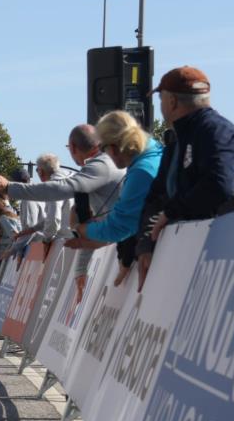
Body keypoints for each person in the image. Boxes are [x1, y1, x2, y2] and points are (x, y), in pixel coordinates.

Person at [136, 66, 234, 290]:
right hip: (207, 256)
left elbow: (218, 185)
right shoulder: (177, 143)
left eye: (160, 98)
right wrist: (145, 245)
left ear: (172, 102)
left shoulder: (217, 131)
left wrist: (171, 212)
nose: (160, 106)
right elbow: (157, 198)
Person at [0, 126, 124, 292]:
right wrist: (81, 268)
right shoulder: (103, 165)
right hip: (118, 245)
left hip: (119, 245)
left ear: (73, 148)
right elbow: (87, 221)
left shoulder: (99, 167)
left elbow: (55, 192)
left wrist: (9, 187)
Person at [68, 111, 164, 289]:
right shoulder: (153, 149)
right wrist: (125, 256)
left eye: (103, 149)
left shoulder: (141, 172)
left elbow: (119, 226)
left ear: (112, 148)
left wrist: (79, 229)